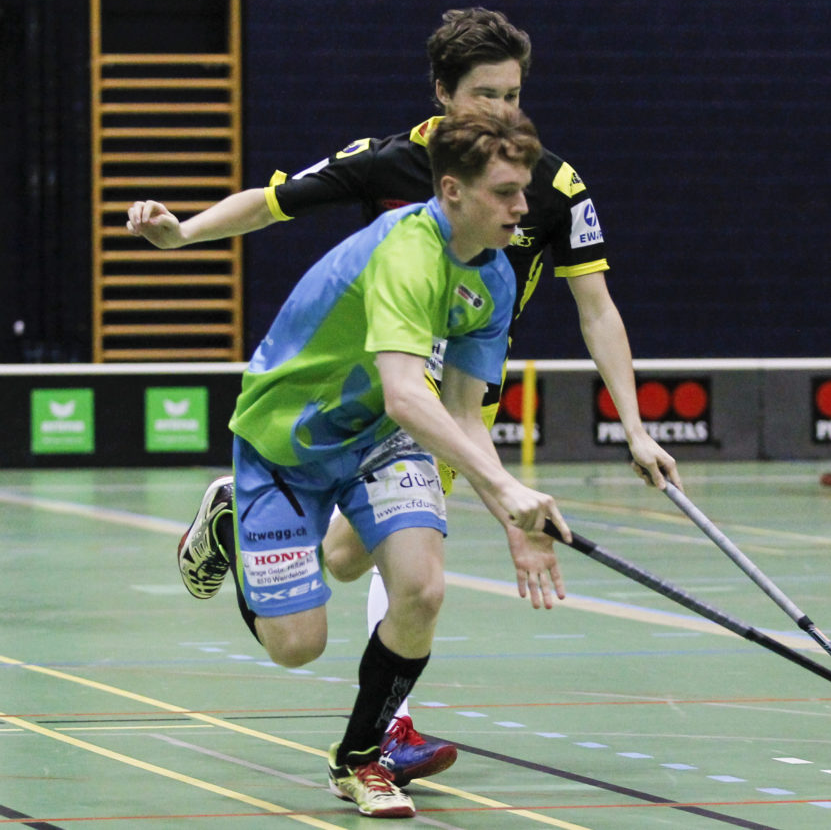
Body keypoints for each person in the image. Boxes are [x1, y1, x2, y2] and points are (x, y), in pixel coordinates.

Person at [127, 7, 681, 787]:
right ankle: (383, 732)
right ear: (442, 96)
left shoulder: (545, 183)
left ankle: (282, 582)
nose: (500, 111)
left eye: (512, 95)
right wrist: (183, 235)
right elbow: (271, 200)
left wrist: (634, 426)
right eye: (483, 95)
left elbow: (598, 308)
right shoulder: (394, 164)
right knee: (400, 584)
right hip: (381, 389)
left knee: (356, 561)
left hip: (459, 395)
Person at [179, 104, 564, 818]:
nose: (523, 205)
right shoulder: (408, 253)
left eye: (524, 189)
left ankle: (360, 759)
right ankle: (232, 523)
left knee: (421, 589)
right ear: (452, 190)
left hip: (382, 438)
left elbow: (458, 410)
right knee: (297, 645)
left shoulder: (497, 278)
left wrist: (514, 512)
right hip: (287, 437)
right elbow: (403, 391)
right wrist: (503, 487)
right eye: (506, 192)